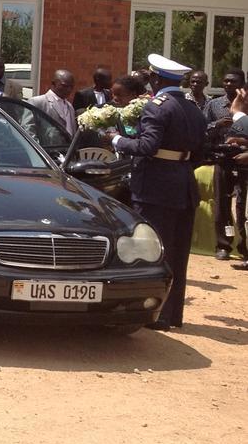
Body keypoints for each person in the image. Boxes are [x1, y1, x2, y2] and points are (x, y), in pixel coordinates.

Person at [106, 54, 206, 330]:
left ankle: (155, 313)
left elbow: (147, 146)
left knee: (153, 249)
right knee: (177, 252)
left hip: (155, 188)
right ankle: (172, 315)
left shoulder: (157, 107)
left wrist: (117, 140)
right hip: (183, 185)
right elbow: (200, 154)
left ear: (155, 79)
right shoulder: (193, 108)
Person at [204, 69, 248, 260]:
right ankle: (224, 244)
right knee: (223, 204)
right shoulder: (213, 105)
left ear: (242, 84)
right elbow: (202, 130)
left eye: (233, 81)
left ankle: (244, 246)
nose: (228, 84)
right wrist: (217, 125)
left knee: (242, 205)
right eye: (226, 81)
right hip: (222, 159)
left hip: (245, 161)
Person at [28, 70, 77, 135]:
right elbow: (28, 129)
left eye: (71, 87)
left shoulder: (70, 107)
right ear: (53, 84)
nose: (69, 90)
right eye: (64, 86)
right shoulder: (38, 102)